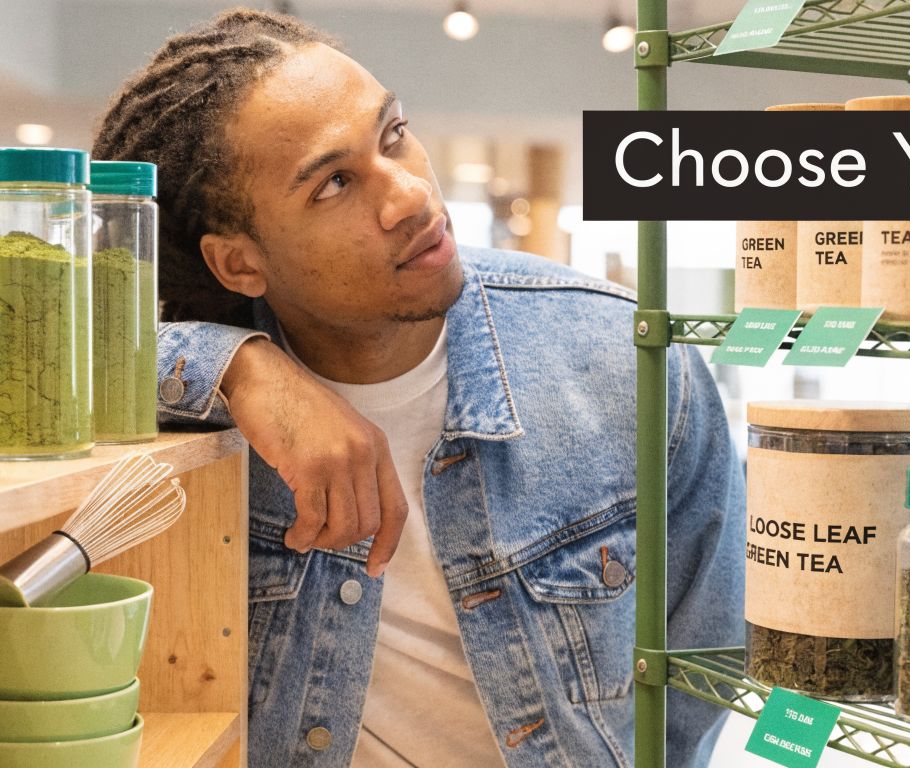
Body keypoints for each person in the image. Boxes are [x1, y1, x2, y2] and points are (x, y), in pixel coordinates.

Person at [93, 9, 743, 767]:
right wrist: (237, 367)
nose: (409, 196)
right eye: (334, 183)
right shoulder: (194, 410)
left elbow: (702, 671)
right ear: (239, 264)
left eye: (394, 133)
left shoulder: (623, 356)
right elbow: (17, 367)